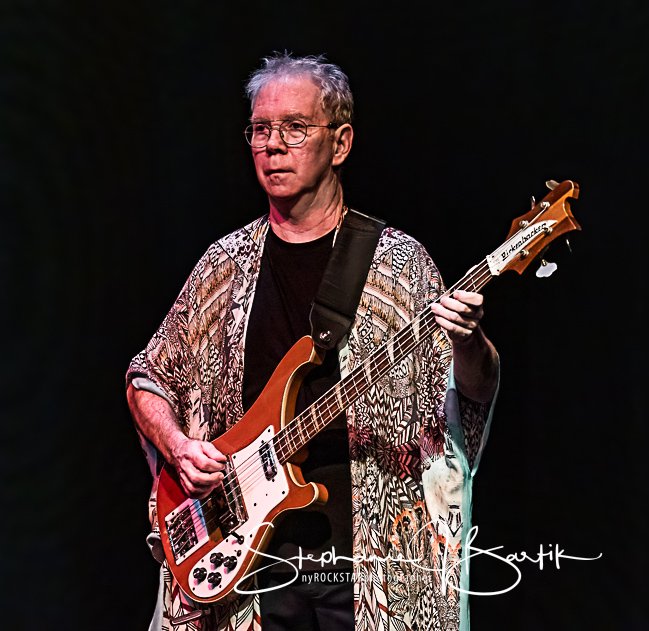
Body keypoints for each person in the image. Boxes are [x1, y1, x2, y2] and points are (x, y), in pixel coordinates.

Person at [126, 52, 499, 631]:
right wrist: (178, 446)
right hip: (247, 567)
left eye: (295, 127)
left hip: (370, 567)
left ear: (341, 143)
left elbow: (465, 401)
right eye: (260, 129)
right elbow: (147, 378)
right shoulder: (224, 266)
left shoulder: (399, 265)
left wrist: (470, 343)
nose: (273, 145)